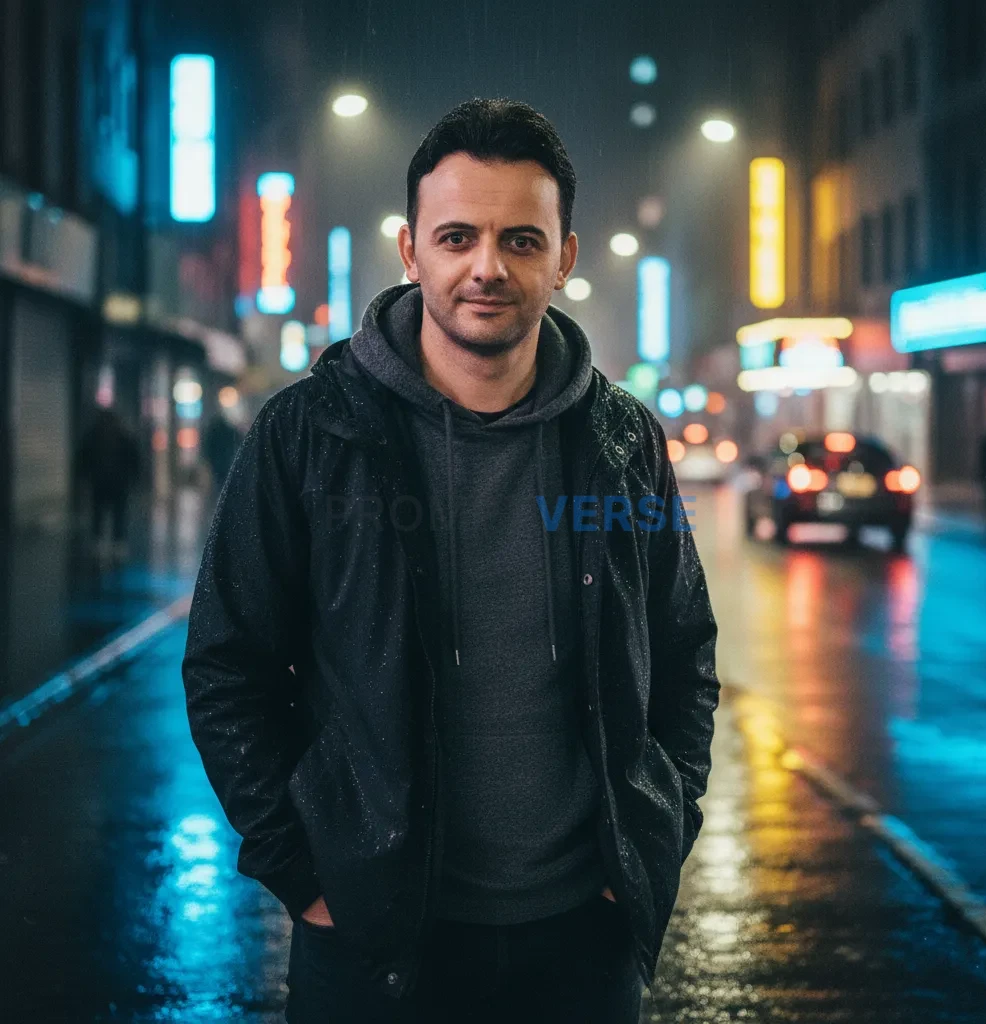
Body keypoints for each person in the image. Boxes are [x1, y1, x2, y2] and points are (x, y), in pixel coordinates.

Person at [182, 98, 719, 1024]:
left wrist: (650, 837)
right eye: (458, 236)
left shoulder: (622, 441)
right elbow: (228, 664)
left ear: (564, 258)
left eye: (520, 240)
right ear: (411, 251)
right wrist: (303, 873)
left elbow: (684, 657)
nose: (487, 268)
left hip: (580, 945)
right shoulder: (311, 435)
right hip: (375, 939)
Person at [75, 406, 142, 560]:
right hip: (117, 484)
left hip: (101, 483)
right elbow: (134, 461)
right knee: (117, 513)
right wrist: (133, 480)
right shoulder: (123, 437)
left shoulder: (93, 436)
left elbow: (82, 460)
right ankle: (116, 543)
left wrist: (84, 479)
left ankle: (100, 542)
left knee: (100, 513)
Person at [202, 410, 242, 492]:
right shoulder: (228, 430)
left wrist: (207, 459)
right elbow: (238, 439)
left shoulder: (213, 432)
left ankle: (221, 494)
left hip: (217, 462)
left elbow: (207, 448)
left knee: (219, 481)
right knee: (225, 479)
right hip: (227, 460)